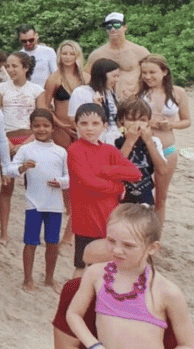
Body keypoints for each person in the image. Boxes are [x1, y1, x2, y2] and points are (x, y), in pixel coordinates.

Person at [66, 204, 194, 349]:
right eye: (110, 241)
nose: (116, 250)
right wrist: (94, 345)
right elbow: (73, 314)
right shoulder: (96, 274)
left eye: (128, 245)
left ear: (152, 248)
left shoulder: (166, 291)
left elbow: (188, 344)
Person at [66, 103, 140, 276]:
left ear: (105, 126)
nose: (89, 128)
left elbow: (135, 173)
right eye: (84, 124)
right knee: (82, 265)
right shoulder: (75, 149)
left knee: (107, 267)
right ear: (76, 125)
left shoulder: (109, 150)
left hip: (109, 220)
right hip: (85, 219)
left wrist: (104, 170)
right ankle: (73, 301)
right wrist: (117, 186)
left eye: (95, 123)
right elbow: (88, 182)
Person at [5, 109, 68, 291]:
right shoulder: (26, 149)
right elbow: (10, 169)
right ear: (31, 127)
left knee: (52, 242)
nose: (41, 129)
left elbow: (69, 176)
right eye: (37, 126)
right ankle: (28, 279)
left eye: (45, 126)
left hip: (55, 204)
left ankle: (49, 277)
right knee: (30, 241)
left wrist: (61, 182)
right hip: (33, 203)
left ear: (52, 128)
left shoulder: (61, 152)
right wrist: (22, 168)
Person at [0, 51, 46, 245]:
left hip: (31, 139)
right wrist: (4, 141)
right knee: (6, 186)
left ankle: (34, 232)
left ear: (26, 67)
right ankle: (4, 232)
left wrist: (29, 141)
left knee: (34, 187)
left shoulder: (36, 90)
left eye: (15, 66)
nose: (10, 69)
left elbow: (42, 118)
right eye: (8, 66)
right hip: (7, 139)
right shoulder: (1, 88)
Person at [138, 54, 190, 224]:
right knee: (137, 197)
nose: (147, 76)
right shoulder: (138, 92)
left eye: (152, 72)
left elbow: (186, 121)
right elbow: (125, 120)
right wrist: (146, 121)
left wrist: (172, 125)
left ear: (164, 72)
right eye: (144, 72)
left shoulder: (178, 92)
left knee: (161, 197)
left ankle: (155, 239)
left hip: (167, 149)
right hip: (140, 150)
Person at [114, 98, 167, 208]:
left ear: (148, 122)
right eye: (132, 119)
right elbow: (115, 168)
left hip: (145, 199)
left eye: (142, 120)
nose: (137, 123)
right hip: (118, 200)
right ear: (121, 121)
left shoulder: (154, 142)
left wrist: (148, 141)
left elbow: (162, 170)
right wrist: (129, 141)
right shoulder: (114, 140)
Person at [87, 12, 150, 101]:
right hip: (108, 101)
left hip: (135, 100)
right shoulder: (97, 54)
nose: (112, 29)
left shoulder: (140, 51)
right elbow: (86, 76)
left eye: (116, 25)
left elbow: (153, 73)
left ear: (125, 27)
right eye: (108, 26)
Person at [44, 41, 90, 148]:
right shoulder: (53, 79)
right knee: (64, 158)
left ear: (77, 55)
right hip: (62, 126)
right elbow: (45, 106)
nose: (68, 57)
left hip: (84, 125)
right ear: (59, 56)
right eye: (64, 54)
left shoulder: (86, 78)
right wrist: (61, 125)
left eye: (72, 54)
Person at [69, 59, 121, 145]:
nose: (117, 80)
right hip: (93, 142)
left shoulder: (110, 92)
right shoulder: (81, 92)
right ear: (102, 75)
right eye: (114, 76)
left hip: (113, 141)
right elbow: (73, 119)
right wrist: (96, 107)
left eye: (118, 76)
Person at [18, 24, 58, 89]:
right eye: (24, 41)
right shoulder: (18, 55)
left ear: (36, 36)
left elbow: (55, 74)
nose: (28, 43)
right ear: (20, 39)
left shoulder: (49, 51)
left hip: (45, 92)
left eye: (31, 40)